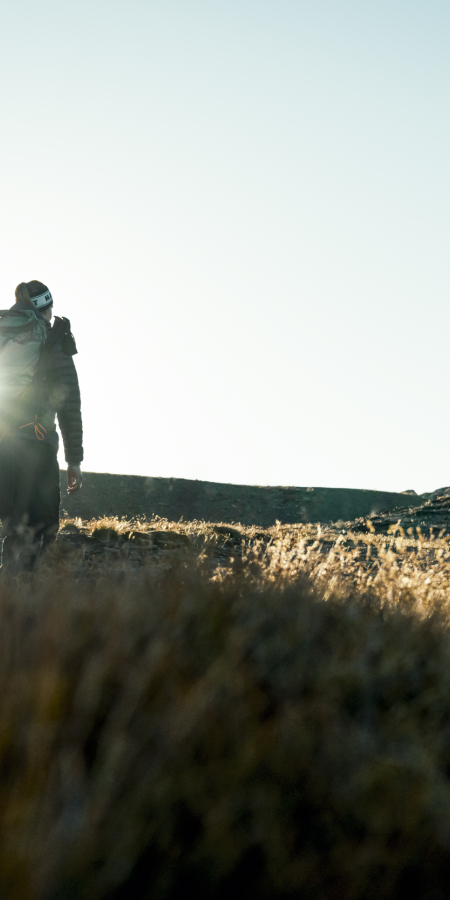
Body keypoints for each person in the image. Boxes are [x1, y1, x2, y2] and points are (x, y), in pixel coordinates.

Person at [0, 280, 83, 571]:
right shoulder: (54, 337)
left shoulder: (2, 330)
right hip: (36, 443)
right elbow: (69, 403)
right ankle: (19, 599)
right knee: (39, 529)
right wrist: (74, 460)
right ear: (47, 308)